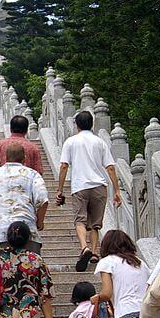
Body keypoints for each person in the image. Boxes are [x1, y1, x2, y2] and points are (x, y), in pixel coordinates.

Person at [55, 110, 123, 271]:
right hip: (99, 186)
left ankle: (84, 247)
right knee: (95, 224)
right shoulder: (100, 142)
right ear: (92, 124)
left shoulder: (71, 142)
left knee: (80, 219)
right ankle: (93, 252)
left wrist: (60, 189)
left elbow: (64, 166)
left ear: (76, 125)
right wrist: (117, 191)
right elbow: (110, 167)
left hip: (80, 186)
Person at [0, 143, 48, 253]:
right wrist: (40, 222)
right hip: (26, 231)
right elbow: (43, 200)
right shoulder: (33, 174)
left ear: (5, 157)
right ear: (24, 158)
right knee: (29, 267)